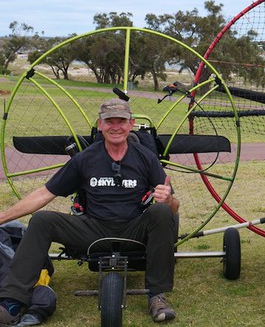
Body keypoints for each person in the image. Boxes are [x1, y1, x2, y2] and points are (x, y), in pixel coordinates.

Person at [0, 98, 180, 326]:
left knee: (162, 213)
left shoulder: (146, 158)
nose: (116, 126)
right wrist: (2, 218)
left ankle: (156, 296)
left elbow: (174, 209)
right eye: (110, 121)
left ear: (131, 123)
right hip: (93, 229)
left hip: (134, 229)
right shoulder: (85, 159)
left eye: (121, 121)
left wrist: (169, 200)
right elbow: (44, 194)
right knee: (42, 220)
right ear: (101, 124)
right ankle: (13, 301)